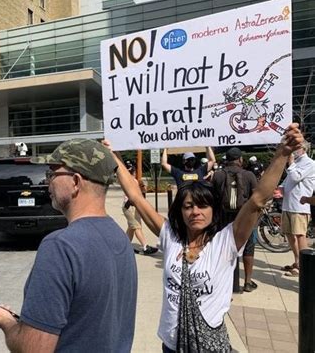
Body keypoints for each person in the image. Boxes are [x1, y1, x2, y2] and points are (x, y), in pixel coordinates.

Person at [104, 123, 303, 352]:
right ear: (180, 211)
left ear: (213, 210)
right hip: (171, 344)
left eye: (202, 206)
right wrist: (114, 157)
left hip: (208, 346)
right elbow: (136, 197)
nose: (195, 212)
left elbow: (257, 201)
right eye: (188, 206)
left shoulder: (226, 242)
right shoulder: (171, 237)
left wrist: (282, 153)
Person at [0, 138, 137, 352]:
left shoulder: (61, 246)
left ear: (75, 181)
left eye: (53, 174)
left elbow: (34, 349)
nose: (48, 182)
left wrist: (6, 322)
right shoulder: (119, 236)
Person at [212, 147, 258, 293]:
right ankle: (248, 282)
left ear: (226, 159)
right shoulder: (249, 175)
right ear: (240, 159)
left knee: (225, 248)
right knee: (248, 248)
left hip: (224, 218)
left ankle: (225, 281)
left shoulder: (218, 175)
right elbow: (256, 197)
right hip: (244, 218)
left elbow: (213, 197)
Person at [279, 140, 315, 277]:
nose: (294, 151)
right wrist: (281, 187)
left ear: (304, 149)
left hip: (300, 206)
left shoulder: (310, 163)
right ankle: (297, 260)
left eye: (297, 148)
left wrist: (290, 161)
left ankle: (304, 265)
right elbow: (288, 179)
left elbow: (295, 176)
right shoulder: (296, 163)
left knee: (300, 235)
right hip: (288, 204)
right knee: (289, 233)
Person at [122, 164, 158, 255]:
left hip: (132, 206)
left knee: (132, 227)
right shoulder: (132, 181)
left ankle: (126, 246)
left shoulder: (126, 180)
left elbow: (138, 194)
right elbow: (137, 195)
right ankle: (145, 247)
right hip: (130, 206)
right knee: (136, 226)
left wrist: (142, 190)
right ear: (134, 172)